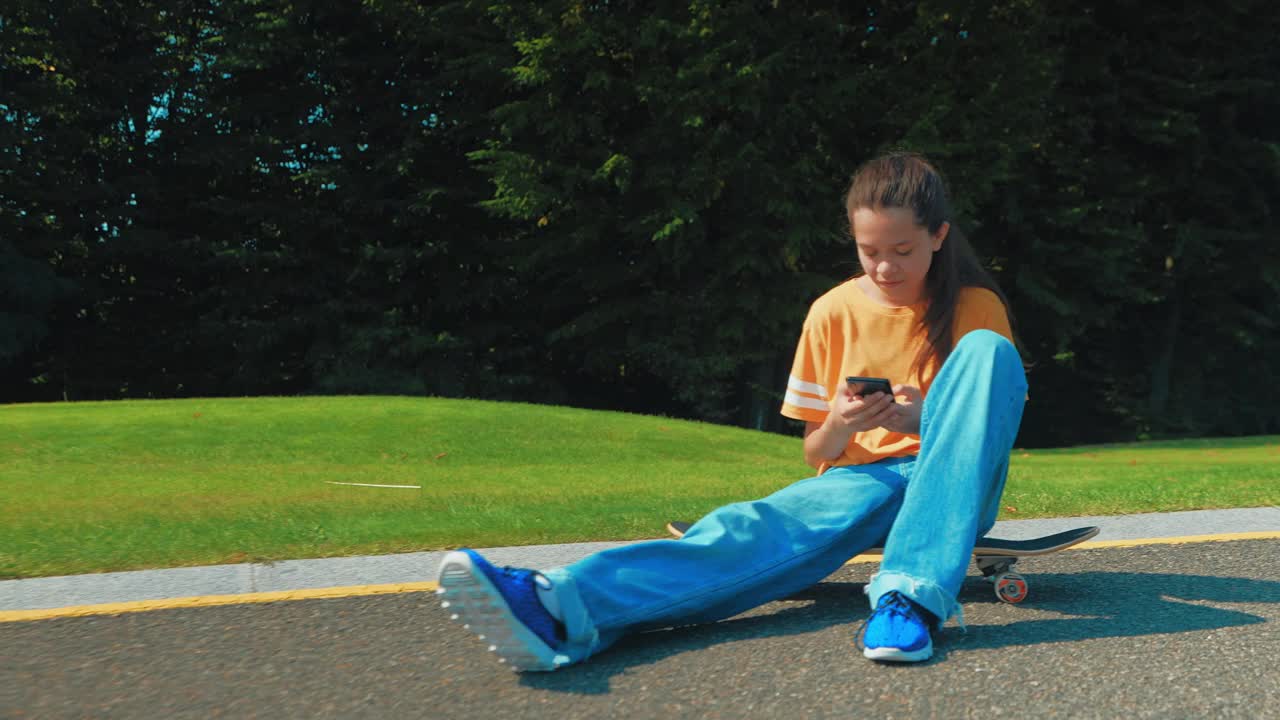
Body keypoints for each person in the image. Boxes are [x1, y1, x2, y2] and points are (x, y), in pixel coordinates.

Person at [435, 152, 1028, 669]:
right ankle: (562, 606)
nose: (884, 268)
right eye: (869, 250)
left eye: (903, 250)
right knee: (760, 528)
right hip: (860, 477)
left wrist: (924, 419)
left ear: (940, 236)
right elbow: (815, 452)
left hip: (952, 481)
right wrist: (843, 424)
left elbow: (991, 432)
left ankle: (910, 601)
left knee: (987, 351)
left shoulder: (975, 307)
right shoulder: (831, 310)